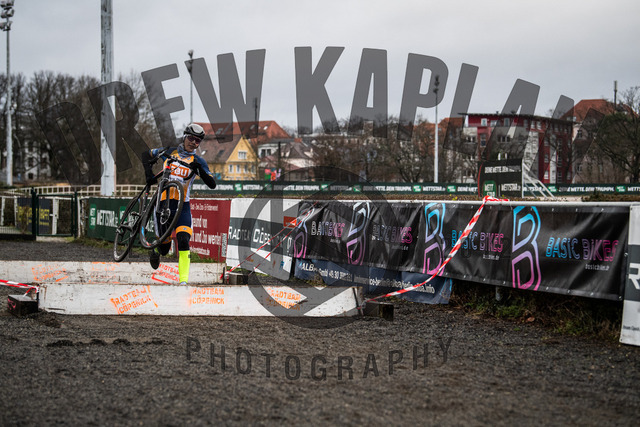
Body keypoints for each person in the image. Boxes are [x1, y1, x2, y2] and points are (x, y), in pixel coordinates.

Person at [141, 123, 216, 284]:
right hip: (163, 205)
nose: (193, 142)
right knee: (164, 249)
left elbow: (212, 184)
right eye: (191, 138)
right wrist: (148, 174)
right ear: (184, 137)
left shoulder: (198, 160)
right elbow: (145, 154)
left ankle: (183, 282)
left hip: (183, 207)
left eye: (197, 141)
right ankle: (156, 250)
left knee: (183, 240)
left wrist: (200, 170)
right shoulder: (169, 152)